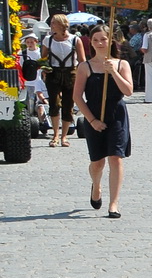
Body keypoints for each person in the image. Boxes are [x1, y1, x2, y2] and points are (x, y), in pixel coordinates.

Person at [75, 24, 133, 218]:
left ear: (111, 41)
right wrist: (91, 121)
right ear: (90, 43)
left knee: (116, 158)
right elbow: (77, 97)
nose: (100, 43)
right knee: (97, 163)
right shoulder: (85, 66)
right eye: (95, 40)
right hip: (94, 116)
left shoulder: (121, 64)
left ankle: (114, 204)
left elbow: (128, 91)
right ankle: (96, 186)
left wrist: (113, 72)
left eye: (103, 39)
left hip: (117, 115)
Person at [43, 13, 83, 148]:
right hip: (53, 73)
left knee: (68, 105)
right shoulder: (47, 40)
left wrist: (85, 77)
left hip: (71, 73)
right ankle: (55, 135)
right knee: (54, 104)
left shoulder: (75, 40)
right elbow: (43, 59)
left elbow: (82, 61)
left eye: (53, 22)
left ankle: (64, 136)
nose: (51, 25)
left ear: (61, 24)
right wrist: (43, 68)